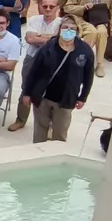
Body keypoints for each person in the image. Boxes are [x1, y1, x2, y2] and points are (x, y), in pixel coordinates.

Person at [22, 15, 95, 143]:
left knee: (60, 134)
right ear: (59, 29)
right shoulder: (48, 47)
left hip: (66, 99)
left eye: (72, 28)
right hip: (43, 97)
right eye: (65, 27)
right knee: (40, 131)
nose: (68, 31)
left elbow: (88, 76)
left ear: (77, 31)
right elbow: (34, 72)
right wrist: (27, 93)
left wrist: (83, 97)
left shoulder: (85, 51)